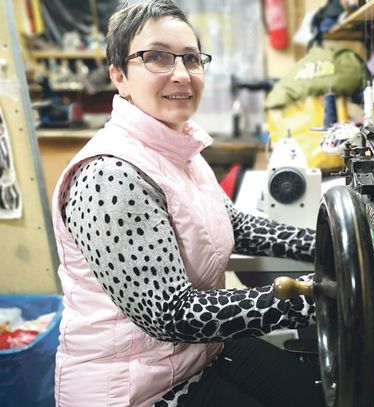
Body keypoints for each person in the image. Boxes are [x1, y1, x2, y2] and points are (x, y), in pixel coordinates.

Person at [51, 1, 325, 406]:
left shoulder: (179, 148)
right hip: (137, 387)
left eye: (191, 59)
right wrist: (315, 299)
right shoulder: (109, 175)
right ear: (119, 77)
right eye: (157, 57)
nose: (181, 74)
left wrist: (325, 244)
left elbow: (234, 224)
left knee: (311, 393)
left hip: (194, 352)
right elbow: (171, 313)